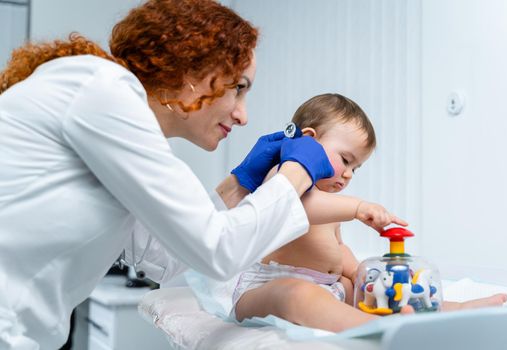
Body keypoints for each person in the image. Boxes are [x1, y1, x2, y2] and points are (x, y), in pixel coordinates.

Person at [0, 0, 335, 348]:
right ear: (194, 71)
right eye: (239, 88)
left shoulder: (110, 116)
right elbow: (217, 251)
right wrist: (297, 173)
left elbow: (167, 258)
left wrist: (240, 183)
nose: (242, 115)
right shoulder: (102, 91)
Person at [231, 93, 507, 332]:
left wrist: (361, 274)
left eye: (356, 168)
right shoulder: (282, 177)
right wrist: (358, 207)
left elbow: (338, 248)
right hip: (269, 287)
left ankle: (451, 311)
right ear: (308, 141)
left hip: (327, 286)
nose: (349, 174)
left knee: (369, 292)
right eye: (345, 160)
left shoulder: (330, 201)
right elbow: (294, 207)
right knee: (298, 294)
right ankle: (372, 329)